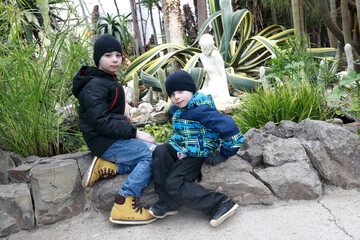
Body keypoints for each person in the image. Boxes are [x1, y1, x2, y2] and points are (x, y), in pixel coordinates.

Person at [72, 34, 157, 225]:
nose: (115, 59)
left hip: (109, 138)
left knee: (156, 149)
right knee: (152, 154)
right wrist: (136, 133)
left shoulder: (105, 80)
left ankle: (110, 167)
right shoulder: (94, 85)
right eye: (108, 55)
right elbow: (101, 121)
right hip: (105, 141)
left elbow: (111, 117)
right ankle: (124, 203)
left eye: (118, 55)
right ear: (98, 59)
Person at [149, 70, 244, 227]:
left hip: (196, 153)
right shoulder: (177, 109)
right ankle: (168, 203)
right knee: (160, 152)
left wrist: (224, 154)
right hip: (180, 147)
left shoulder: (201, 110)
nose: (176, 97)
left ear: (192, 90)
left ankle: (220, 203)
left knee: (174, 184)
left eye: (180, 91)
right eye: (172, 94)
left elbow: (231, 130)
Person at [199, 34, 231, 100]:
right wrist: (203, 87)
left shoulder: (215, 55)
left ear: (212, 47)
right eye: (203, 49)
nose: (205, 51)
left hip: (218, 87)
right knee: (198, 94)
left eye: (207, 49)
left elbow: (223, 74)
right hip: (209, 86)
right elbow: (207, 76)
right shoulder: (202, 57)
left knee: (201, 96)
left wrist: (225, 94)